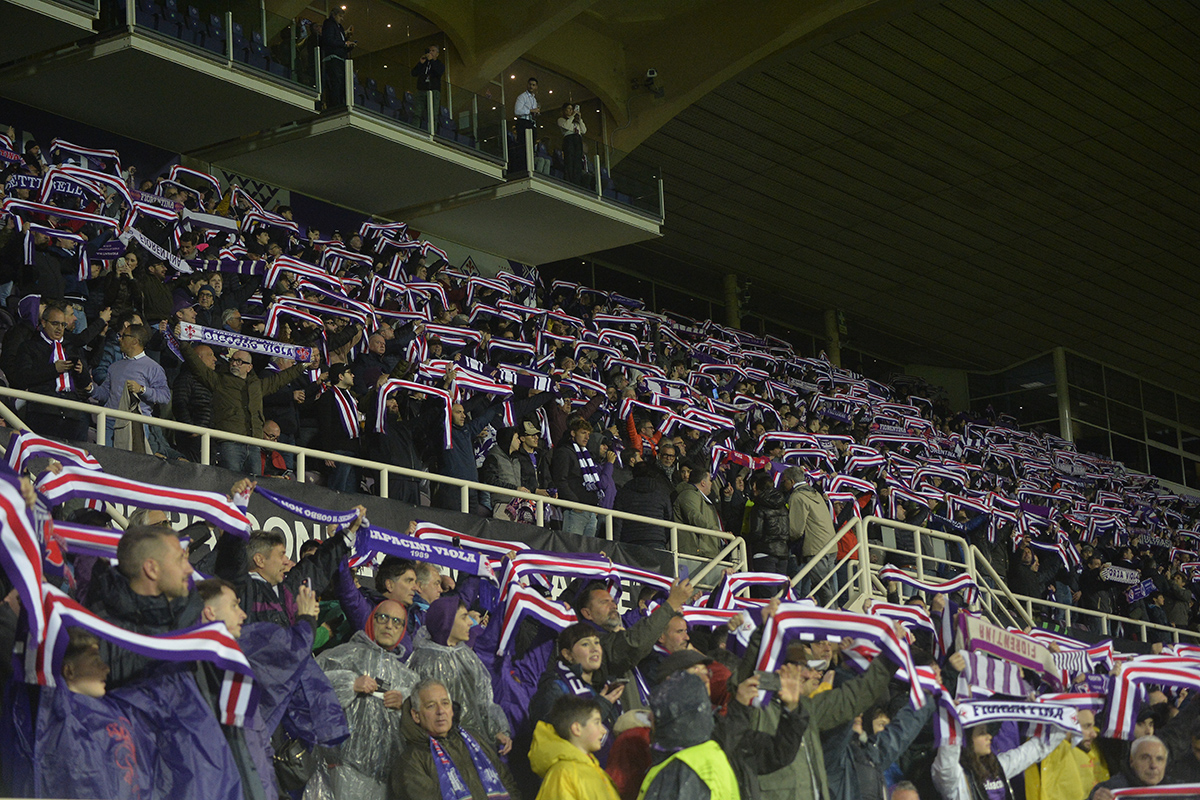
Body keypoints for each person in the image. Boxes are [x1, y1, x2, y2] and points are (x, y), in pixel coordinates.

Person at [306, 599, 420, 800]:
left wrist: (406, 702)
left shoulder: (407, 676)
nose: (389, 625)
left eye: (397, 622)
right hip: (342, 766)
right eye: (383, 617)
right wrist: (348, 685)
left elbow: (421, 720)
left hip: (386, 774)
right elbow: (311, 689)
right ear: (372, 619)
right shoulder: (343, 655)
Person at [179, 341, 314, 474]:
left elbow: (282, 378)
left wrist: (303, 365)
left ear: (249, 367)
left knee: (253, 487)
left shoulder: (258, 386)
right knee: (230, 483)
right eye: (232, 360)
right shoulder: (219, 381)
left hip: (254, 445)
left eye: (239, 361)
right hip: (230, 443)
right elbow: (196, 365)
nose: (234, 363)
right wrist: (184, 343)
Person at [406, 596, 513, 756]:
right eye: (464, 617)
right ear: (446, 622)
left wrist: (497, 730)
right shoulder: (423, 662)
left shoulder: (467, 656)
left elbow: (484, 701)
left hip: (474, 748)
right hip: (437, 754)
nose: (470, 622)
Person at [390, 679, 521, 800]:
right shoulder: (410, 762)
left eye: (445, 703)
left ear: (452, 710)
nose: (441, 711)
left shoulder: (474, 740)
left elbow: (507, 782)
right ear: (416, 715)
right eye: (431, 705)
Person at [12, 302, 107, 441]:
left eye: (62, 324)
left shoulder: (72, 347)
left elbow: (85, 383)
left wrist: (81, 372)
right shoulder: (29, 347)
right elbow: (22, 377)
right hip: (43, 411)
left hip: (73, 414)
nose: (59, 329)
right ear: (43, 323)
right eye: (55, 323)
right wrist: (54, 369)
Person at [90, 323, 170, 451]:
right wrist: (91, 389)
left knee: (129, 467)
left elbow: (165, 396)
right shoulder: (115, 366)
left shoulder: (153, 368)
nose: (119, 339)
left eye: (123, 336)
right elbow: (105, 393)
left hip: (135, 424)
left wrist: (142, 389)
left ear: (134, 341)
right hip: (108, 422)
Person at [933, 723, 1066, 800]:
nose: (989, 736)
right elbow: (945, 763)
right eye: (982, 733)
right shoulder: (956, 778)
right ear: (966, 740)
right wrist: (951, 722)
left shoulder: (996, 766)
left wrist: (1064, 725)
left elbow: (1032, 751)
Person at [530, 696, 621, 800]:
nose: (603, 730)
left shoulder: (591, 767)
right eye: (596, 722)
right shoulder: (563, 774)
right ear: (577, 729)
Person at [781, 467, 839, 605]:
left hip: (816, 548)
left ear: (791, 481)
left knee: (824, 589)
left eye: (785, 482)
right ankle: (835, 614)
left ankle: (833, 619)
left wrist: (785, 538)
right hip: (830, 545)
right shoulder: (816, 493)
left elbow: (796, 530)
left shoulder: (797, 497)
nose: (783, 485)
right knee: (831, 588)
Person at [552, 418, 603, 536]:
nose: (587, 437)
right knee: (572, 549)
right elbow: (560, 480)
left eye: (588, 434)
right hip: (575, 511)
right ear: (573, 433)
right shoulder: (564, 452)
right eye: (583, 433)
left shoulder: (586, 455)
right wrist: (574, 503)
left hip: (590, 511)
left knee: (588, 552)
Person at [612, 460, 673, 550]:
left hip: (629, 540)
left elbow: (617, 521)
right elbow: (669, 517)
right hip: (656, 539)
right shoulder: (662, 491)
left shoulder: (624, 491)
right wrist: (662, 537)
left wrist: (615, 543)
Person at [173, 343, 215, 461]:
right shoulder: (185, 378)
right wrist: (191, 430)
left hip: (209, 435)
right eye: (210, 355)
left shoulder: (212, 381)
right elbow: (179, 404)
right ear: (198, 358)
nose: (215, 359)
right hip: (192, 438)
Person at [1090, 736, 1168, 800]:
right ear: (1131, 761)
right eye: (1145, 758)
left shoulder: (1174, 790)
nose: (1153, 765)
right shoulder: (1109, 790)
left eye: (1159, 759)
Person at [673, 468, 723, 562]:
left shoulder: (700, 497)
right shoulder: (689, 494)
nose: (711, 484)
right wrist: (717, 532)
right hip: (695, 553)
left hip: (706, 552)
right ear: (703, 483)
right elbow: (694, 516)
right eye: (710, 480)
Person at [320, 7, 355, 108]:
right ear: (334, 15)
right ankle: (335, 105)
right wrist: (344, 44)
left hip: (340, 59)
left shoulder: (339, 27)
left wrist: (348, 46)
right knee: (336, 83)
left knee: (341, 85)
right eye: (340, 16)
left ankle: (340, 104)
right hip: (333, 59)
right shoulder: (329, 24)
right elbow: (329, 40)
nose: (341, 19)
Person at [411, 44, 444, 131]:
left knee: (433, 114)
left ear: (437, 54)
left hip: (433, 91)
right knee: (417, 113)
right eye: (430, 51)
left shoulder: (439, 64)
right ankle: (415, 130)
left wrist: (432, 61)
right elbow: (413, 73)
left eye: (433, 51)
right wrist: (420, 63)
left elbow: (439, 72)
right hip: (421, 90)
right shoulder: (424, 64)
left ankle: (432, 133)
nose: (430, 52)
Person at [513, 77, 540, 170]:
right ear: (527, 85)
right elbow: (517, 111)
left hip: (531, 123)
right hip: (523, 123)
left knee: (531, 147)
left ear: (536, 87)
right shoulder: (522, 97)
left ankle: (529, 166)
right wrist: (530, 110)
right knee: (523, 146)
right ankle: (522, 167)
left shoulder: (534, 99)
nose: (531, 86)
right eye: (530, 84)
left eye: (533, 85)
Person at [557, 103, 587, 185]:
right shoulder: (561, 120)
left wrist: (579, 119)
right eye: (568, 109)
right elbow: (566, 127)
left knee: (577, 160)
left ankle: (576, 180)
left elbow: (584, 130)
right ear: (564, 110)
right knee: (569, 160)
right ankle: (569, 179)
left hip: (577, 139)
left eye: (572, 109)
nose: (570, 111)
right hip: (569, 139)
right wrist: (572, 117)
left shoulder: (576, 122)